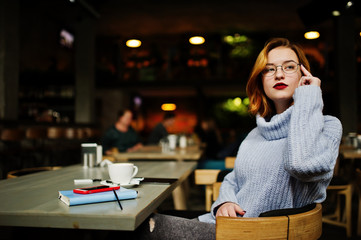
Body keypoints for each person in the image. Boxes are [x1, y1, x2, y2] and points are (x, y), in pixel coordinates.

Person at [131, 38, 342, 239]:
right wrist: (225, 202)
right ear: (260, 80)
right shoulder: (256, 133)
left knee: (137, 229)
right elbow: (234, 178)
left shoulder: (328, 126)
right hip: (226, 225)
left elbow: (302, 165)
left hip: (258, 234)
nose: (279, 75)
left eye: (289, 67)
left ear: (304, 75)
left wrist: (309, 96)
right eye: (269, 69)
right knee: (135, 224)